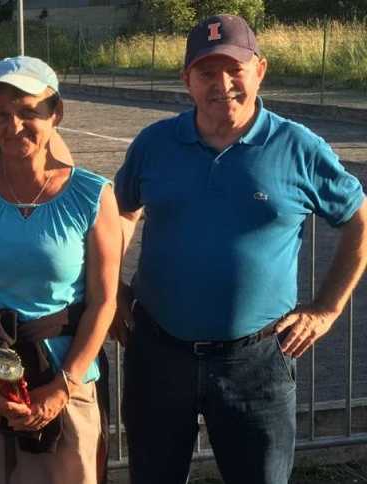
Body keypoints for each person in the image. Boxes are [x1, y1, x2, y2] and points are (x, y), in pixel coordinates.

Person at [114, 14, 367, 484]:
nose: (222, 84)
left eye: (235, 69)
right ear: (186, 80)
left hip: (257, 364)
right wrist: (110, 287)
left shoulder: (297, 147)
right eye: (207, 72)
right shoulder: (154, 144)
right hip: (158, 353)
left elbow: (359, 220)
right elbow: (123, 214)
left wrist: (327, 309)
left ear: (261, 70)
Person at [0, 56, 119, 484]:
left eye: (28, 111)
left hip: (64, 382)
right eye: (1, 113)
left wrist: (61, 389)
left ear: (56, 113)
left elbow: (104, 300)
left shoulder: (92, 195)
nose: (14, 124)